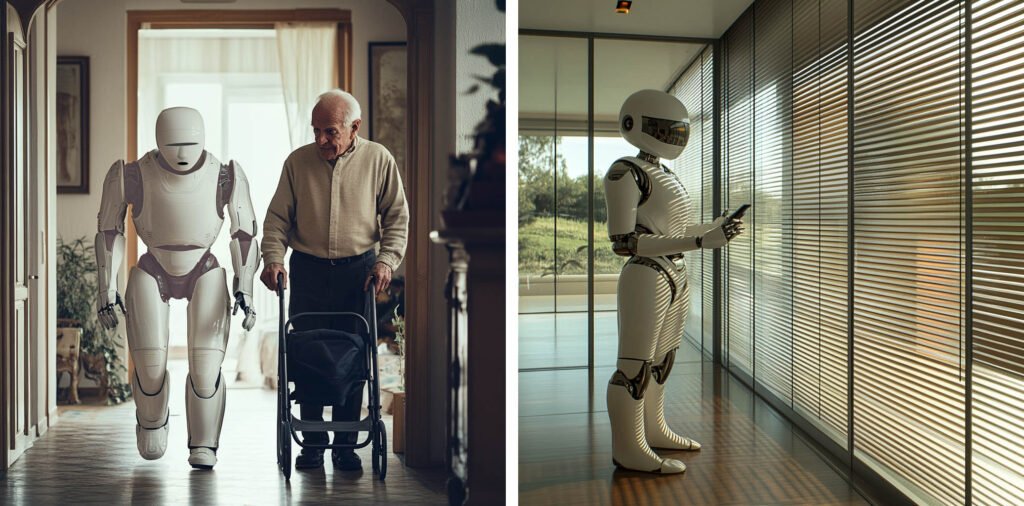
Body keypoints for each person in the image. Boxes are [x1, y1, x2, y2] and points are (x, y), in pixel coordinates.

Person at [96, 106, 259, 470]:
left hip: (204, 266)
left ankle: (204, 442)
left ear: (202, 139)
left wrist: (244, 287)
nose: (183, 153)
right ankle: (152, 419)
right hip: (152, 265)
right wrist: (106, 289)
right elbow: (110, 231)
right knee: (149, 364)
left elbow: (244, 233)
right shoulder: (132, 174)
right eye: (174, 144)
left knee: (206, 367)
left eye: (190, 144)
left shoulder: (225, 175)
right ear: (158, 140)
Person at [260, 89, 409, 471]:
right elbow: (277, 219)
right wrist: (274, 259)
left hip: (358, 273)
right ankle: (312, 443)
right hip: (308, 270)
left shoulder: (379, 159)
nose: (321, 140)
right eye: (316, 132)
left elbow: (396, 217)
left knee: (353, 356)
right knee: (307, 353)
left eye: (329, 131)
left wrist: (387, 262)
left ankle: (345, 445)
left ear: (354, 127)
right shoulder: (297, 163)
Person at [603, 89, 743, 474]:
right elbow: (624, 242)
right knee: (634, 365)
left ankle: (654, 429)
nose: (675, 138)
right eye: (667, 130)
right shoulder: (624, 172)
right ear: (636, 125)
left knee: (662, 361)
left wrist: (714, 229)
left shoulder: (664, 175)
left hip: (674, 273)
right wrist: (699, 240)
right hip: (646, 274)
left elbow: (674, 229)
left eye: (679, 131)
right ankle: (628, 448)